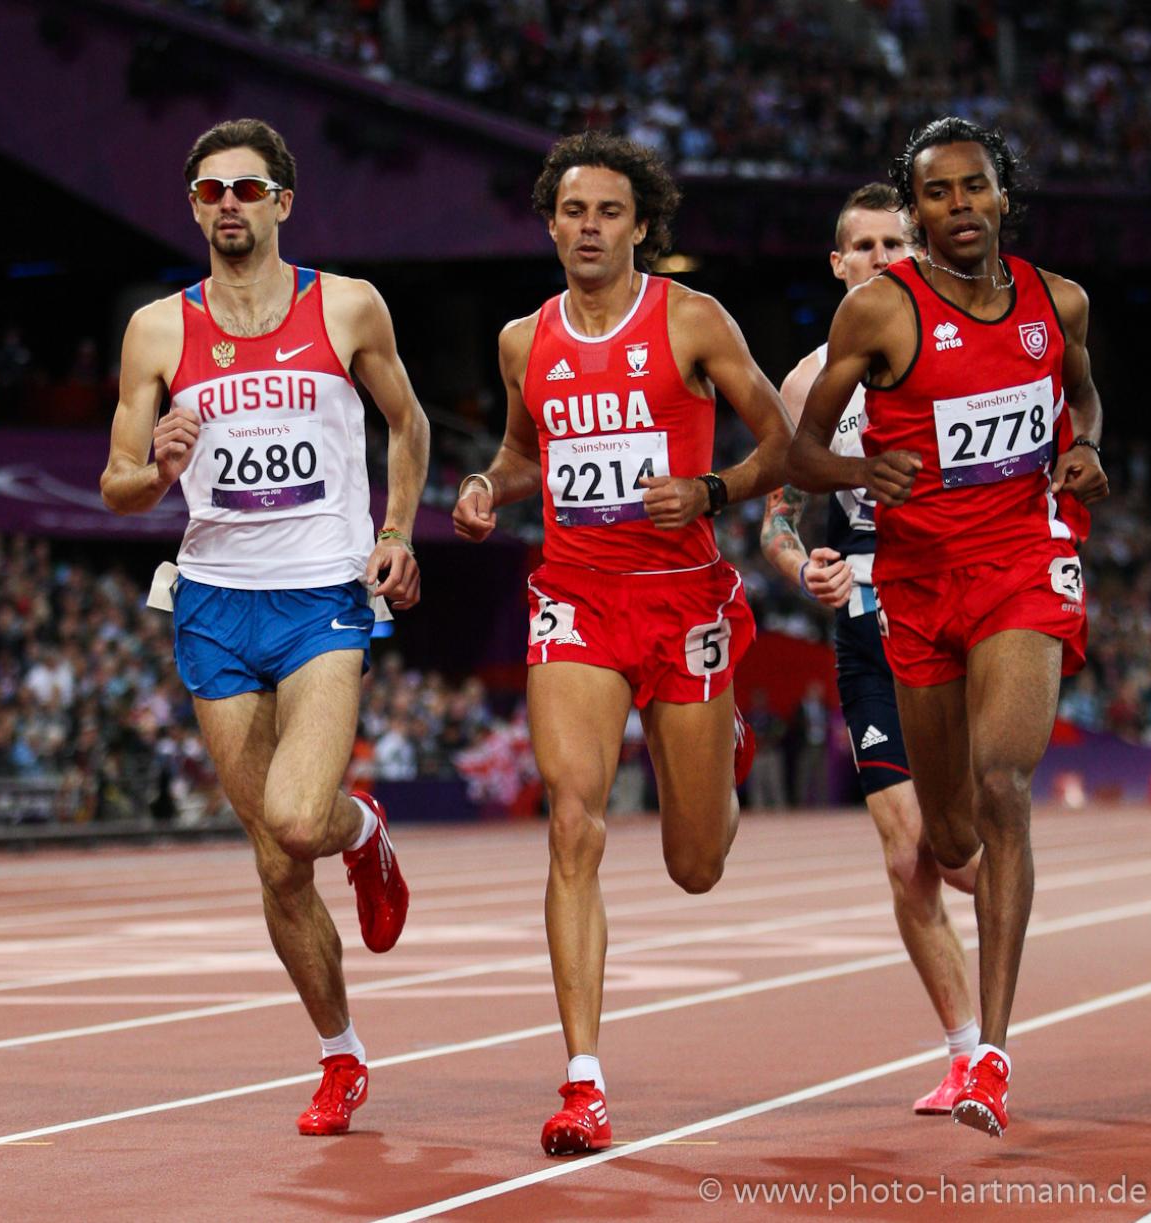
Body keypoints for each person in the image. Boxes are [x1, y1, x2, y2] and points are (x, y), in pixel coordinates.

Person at [451, 131, 791, 1155]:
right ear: (550, 223)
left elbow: (783, 441)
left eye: (609, 211)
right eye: (572, 210)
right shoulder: (526, 339)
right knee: (573, 821)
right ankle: (583, 1080)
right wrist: (485, 486)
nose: (589, 227)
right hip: (578, 600)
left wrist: (716, 488)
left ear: (641, 225)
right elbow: (522, 454)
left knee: (695, 863)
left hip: (683, 601)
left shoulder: (690, 318)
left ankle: (724, 754)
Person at [100, 118, 429, 1136]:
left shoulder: (346, 305)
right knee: (278, 859)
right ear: (195, 208)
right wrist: (155, 463)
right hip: (211, 599)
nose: (228, 205)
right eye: (210, 191)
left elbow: (407, 423)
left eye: (248, 188)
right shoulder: (158, 329)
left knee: (299, 815)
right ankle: (340, 1053)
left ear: (283, 201)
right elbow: (115, 486)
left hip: (322, 592)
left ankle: (361, 828)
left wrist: (398, 530)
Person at [788, 118, 1108, 1137]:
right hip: (914, 593)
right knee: (948, 830)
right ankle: (980, 1023)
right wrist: (856, 471)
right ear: (915, 209)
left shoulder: (1058, 300)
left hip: (1022, 563)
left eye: (975, 188)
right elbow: (803, 453)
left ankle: (991, 1057)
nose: (959, 206)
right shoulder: (880, 315)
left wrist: (1086, 447)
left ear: (1002, 196)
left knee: (1005, 788)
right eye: (937, 193)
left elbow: (1084, 396)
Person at [762, 182, 981, 1115]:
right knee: (908, 857)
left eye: (901, 243)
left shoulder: (969, 354)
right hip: (866, 622)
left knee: (971, 850)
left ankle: (1008, 880)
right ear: (840, 263)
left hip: (968, 607)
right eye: (867, 246)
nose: (886, 258)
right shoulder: (809, 382)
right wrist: (800, 565)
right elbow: (777, 517)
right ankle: (970, 1050)